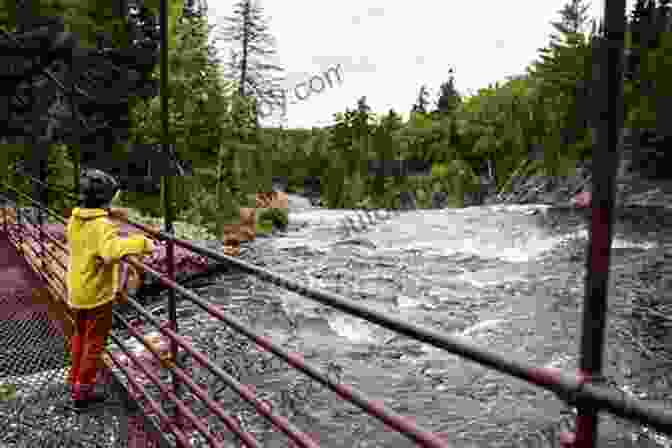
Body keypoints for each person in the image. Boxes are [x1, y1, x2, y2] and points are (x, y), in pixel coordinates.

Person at [66, 168, 155, 411]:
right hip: (96, 294)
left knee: (80, 336)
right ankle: (82, 393)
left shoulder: (76, 218)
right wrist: (142, 242)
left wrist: (106, 215)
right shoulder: (101, 225)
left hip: (76, 289)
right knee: (94, 342)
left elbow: (92, 238)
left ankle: (74, 380)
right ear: (105, 198)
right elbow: (110, 251)